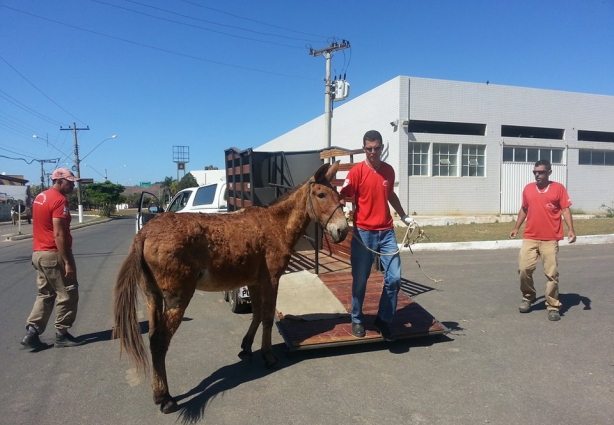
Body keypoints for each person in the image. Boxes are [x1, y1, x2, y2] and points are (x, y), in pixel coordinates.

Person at [339, 130, 414, 341]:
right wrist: (343, 208)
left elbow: (389, 194)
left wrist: (404, 215)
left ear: (382, 148)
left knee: (394, 279)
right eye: (369, 148)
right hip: (363, 234)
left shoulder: (388, 171)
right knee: (360, 280)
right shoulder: (356, 172)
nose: (373, 152)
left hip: (386, 232)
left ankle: (383, 320)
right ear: (364, 149)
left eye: (377, 148)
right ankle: (356, 319)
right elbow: (342, 195)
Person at [21, 168, 85, 349]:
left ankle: (32, 332)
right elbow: (59, 234)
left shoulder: (40, 197)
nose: (72, 185)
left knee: (46, 294)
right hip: (53, 253)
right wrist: (67, 262)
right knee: (68, 292)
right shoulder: (59, 200)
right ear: (58, 181)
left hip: (38, 253)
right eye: (69, 182)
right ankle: (62, 334)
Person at [509, 159, 576, 322]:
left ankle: (553, 306)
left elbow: (565, 210)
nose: (537, 175)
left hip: (550, 239)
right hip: (530, 237)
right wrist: (516, 227)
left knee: (551, 274)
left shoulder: (558, 188)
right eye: (535, 172)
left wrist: (571, 230)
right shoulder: (528, 189)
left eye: (541, 172)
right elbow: (524, 208)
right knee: (524, 269)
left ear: (549, 173)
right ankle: (528, 296)